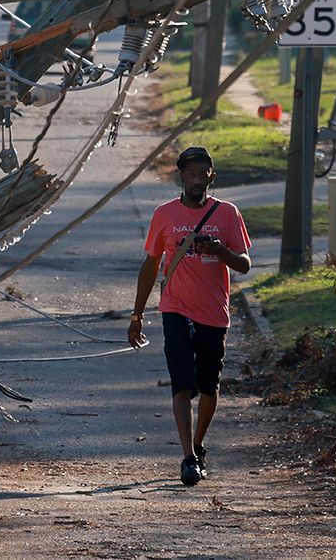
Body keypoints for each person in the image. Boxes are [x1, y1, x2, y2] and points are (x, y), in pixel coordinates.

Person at [128, 146, 251, 486]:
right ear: (180, 176)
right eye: (191, 173)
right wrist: (136, 314)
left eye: (203, 173)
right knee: (183, 383)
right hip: (175, 308)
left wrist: (219, 250)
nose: (197, 179)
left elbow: (243, 264)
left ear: (212, 175)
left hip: (213, 311)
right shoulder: (164, 215)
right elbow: (151, 264)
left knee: (209, 385)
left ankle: (199, 444)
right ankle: (188, 457)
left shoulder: (228, 214)